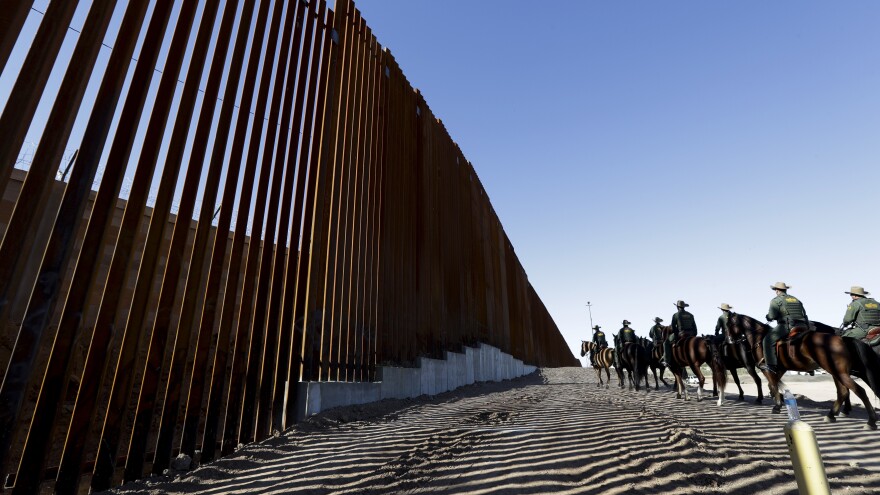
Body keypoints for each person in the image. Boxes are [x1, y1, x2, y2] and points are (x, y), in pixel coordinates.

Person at [759, 282, 809, 373]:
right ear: (785, 289)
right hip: (803, 325)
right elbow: (804, 314)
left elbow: (772, 316)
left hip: (787, 326)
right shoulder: (796, 299)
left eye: (775, 290)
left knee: (767, 340)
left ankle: (771, 365)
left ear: (777, 290)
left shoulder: (776, 300)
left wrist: (768, 317)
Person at [662, 301, 697, 366]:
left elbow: (673, 326)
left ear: (677, 307)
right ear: (684, 307)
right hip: (691, 334)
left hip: (681, 333)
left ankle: (666, 361)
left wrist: (676, 334)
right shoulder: (690, 315)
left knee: (665, 343)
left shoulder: (676, 315)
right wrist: (694, 334)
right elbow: (694, 326)